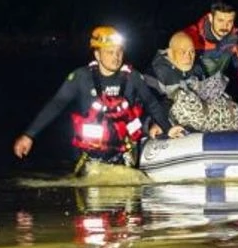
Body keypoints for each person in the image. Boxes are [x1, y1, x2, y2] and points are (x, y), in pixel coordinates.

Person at [13, 26, 184, 174]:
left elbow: (152, 103)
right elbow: (56, 105)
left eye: (119, 52)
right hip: (90, 154)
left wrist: (168, 128)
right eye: (110, 52)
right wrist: (29, 135)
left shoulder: (133, 77)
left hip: (125, 153)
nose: (116, 57)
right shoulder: (80, 77)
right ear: (97, 54)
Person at [145, 31, 238, 132]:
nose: (188, 57)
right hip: (172, 126)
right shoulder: (156, 72)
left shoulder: (197, 67)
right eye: (182, 52)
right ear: (170, 53)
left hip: (200, 124)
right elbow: (148, 103)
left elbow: (206, 95)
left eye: (191, 52)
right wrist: (156, 123)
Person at [182, 0, 238, 76]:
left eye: (230, 21)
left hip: (223, 78)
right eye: (220, 20)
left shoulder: (236, 37)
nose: (225, 26)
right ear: (210, 18)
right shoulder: (191, 37)